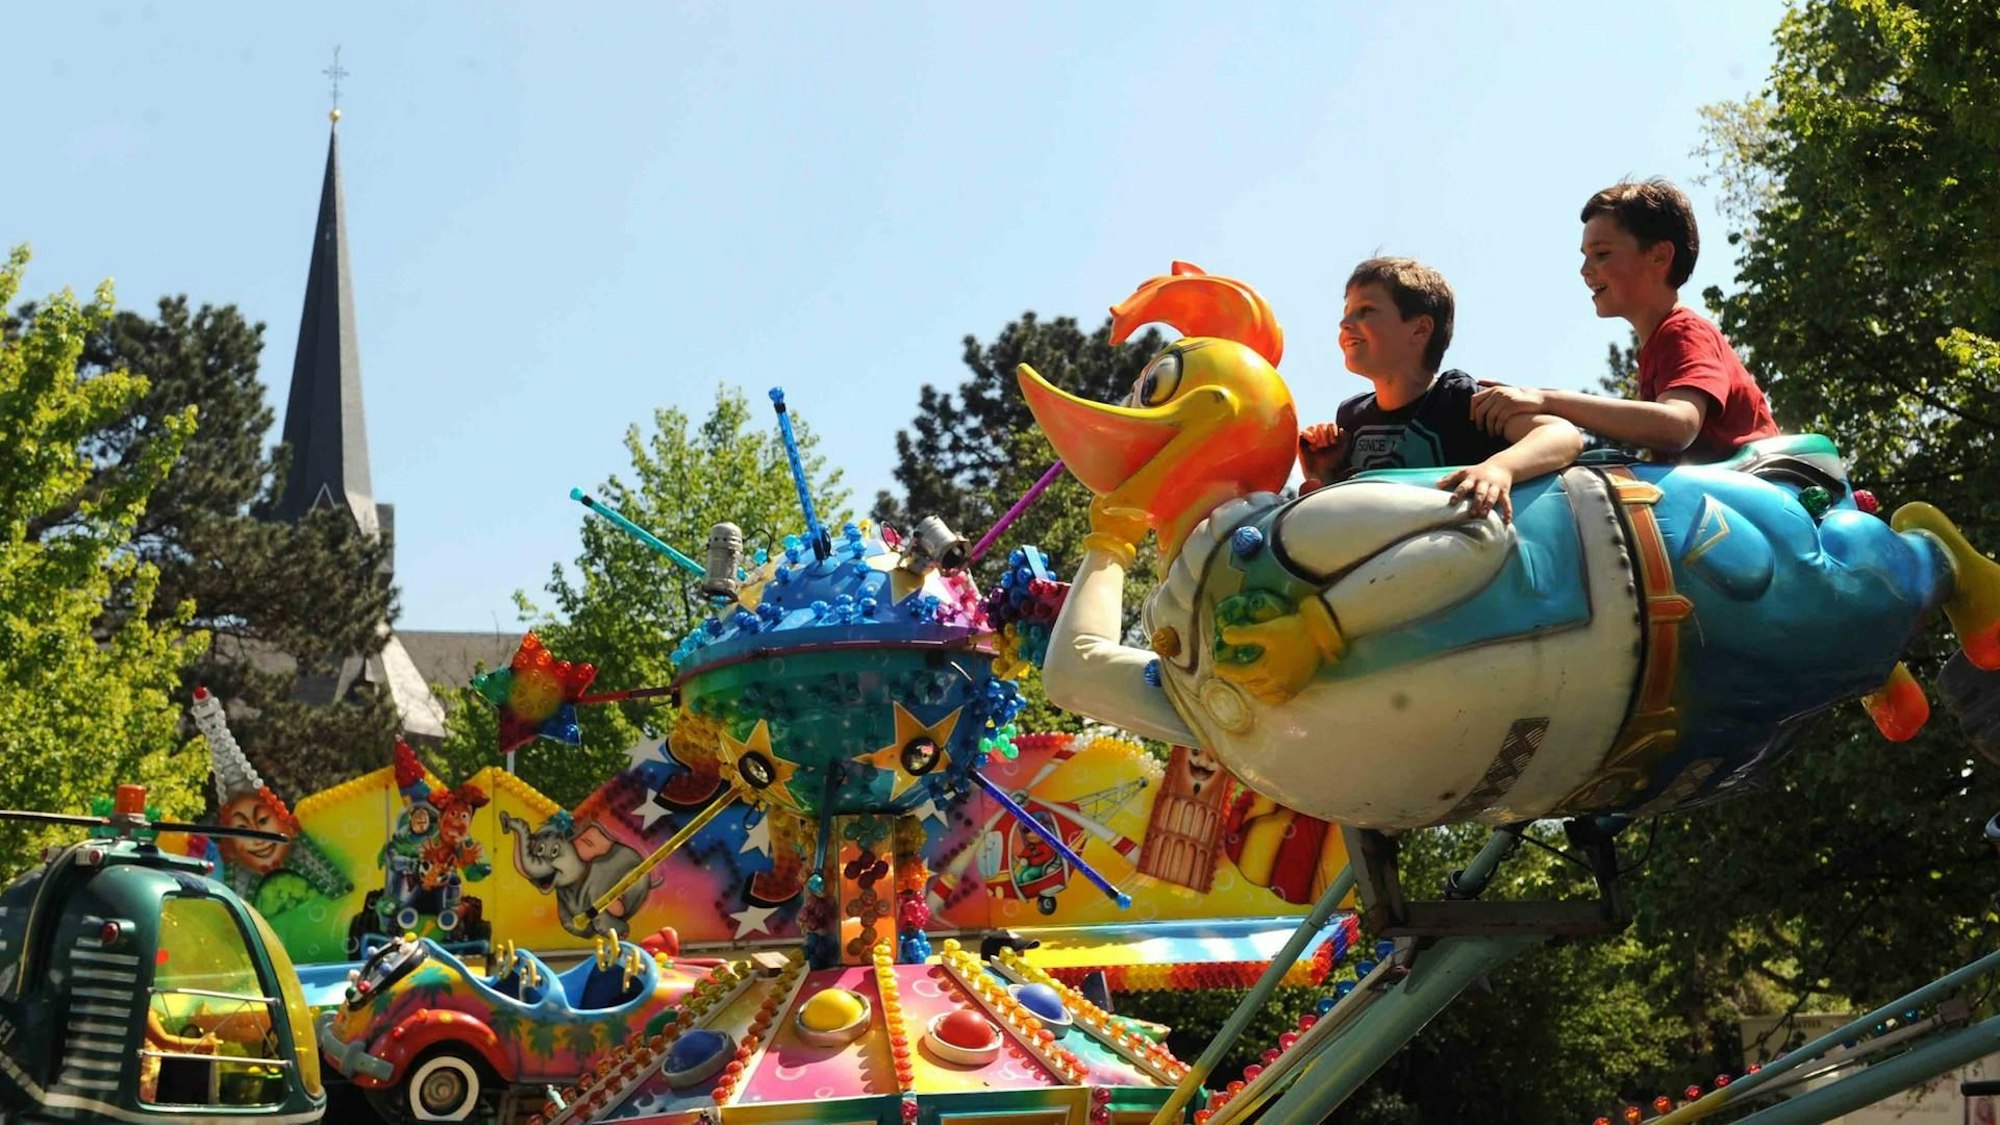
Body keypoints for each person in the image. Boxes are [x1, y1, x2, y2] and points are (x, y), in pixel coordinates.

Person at [1469, 178, 1778, 460]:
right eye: (1585, 256)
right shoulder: (1659, 344)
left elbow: (1678, 426)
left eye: (1601, 254)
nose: (1585, 270)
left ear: (1660, 256)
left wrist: (1544, 400)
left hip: (1760, 499)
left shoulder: (1683, 332)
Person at [1298, 257, 1582, 522]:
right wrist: (1323, 472)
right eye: (1346, 313)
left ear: (1420, 330)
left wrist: (1500, 468)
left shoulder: (1457, 400)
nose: (1344, 323)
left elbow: (1562, 435)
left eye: (1366, 311)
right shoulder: (1351, 417)